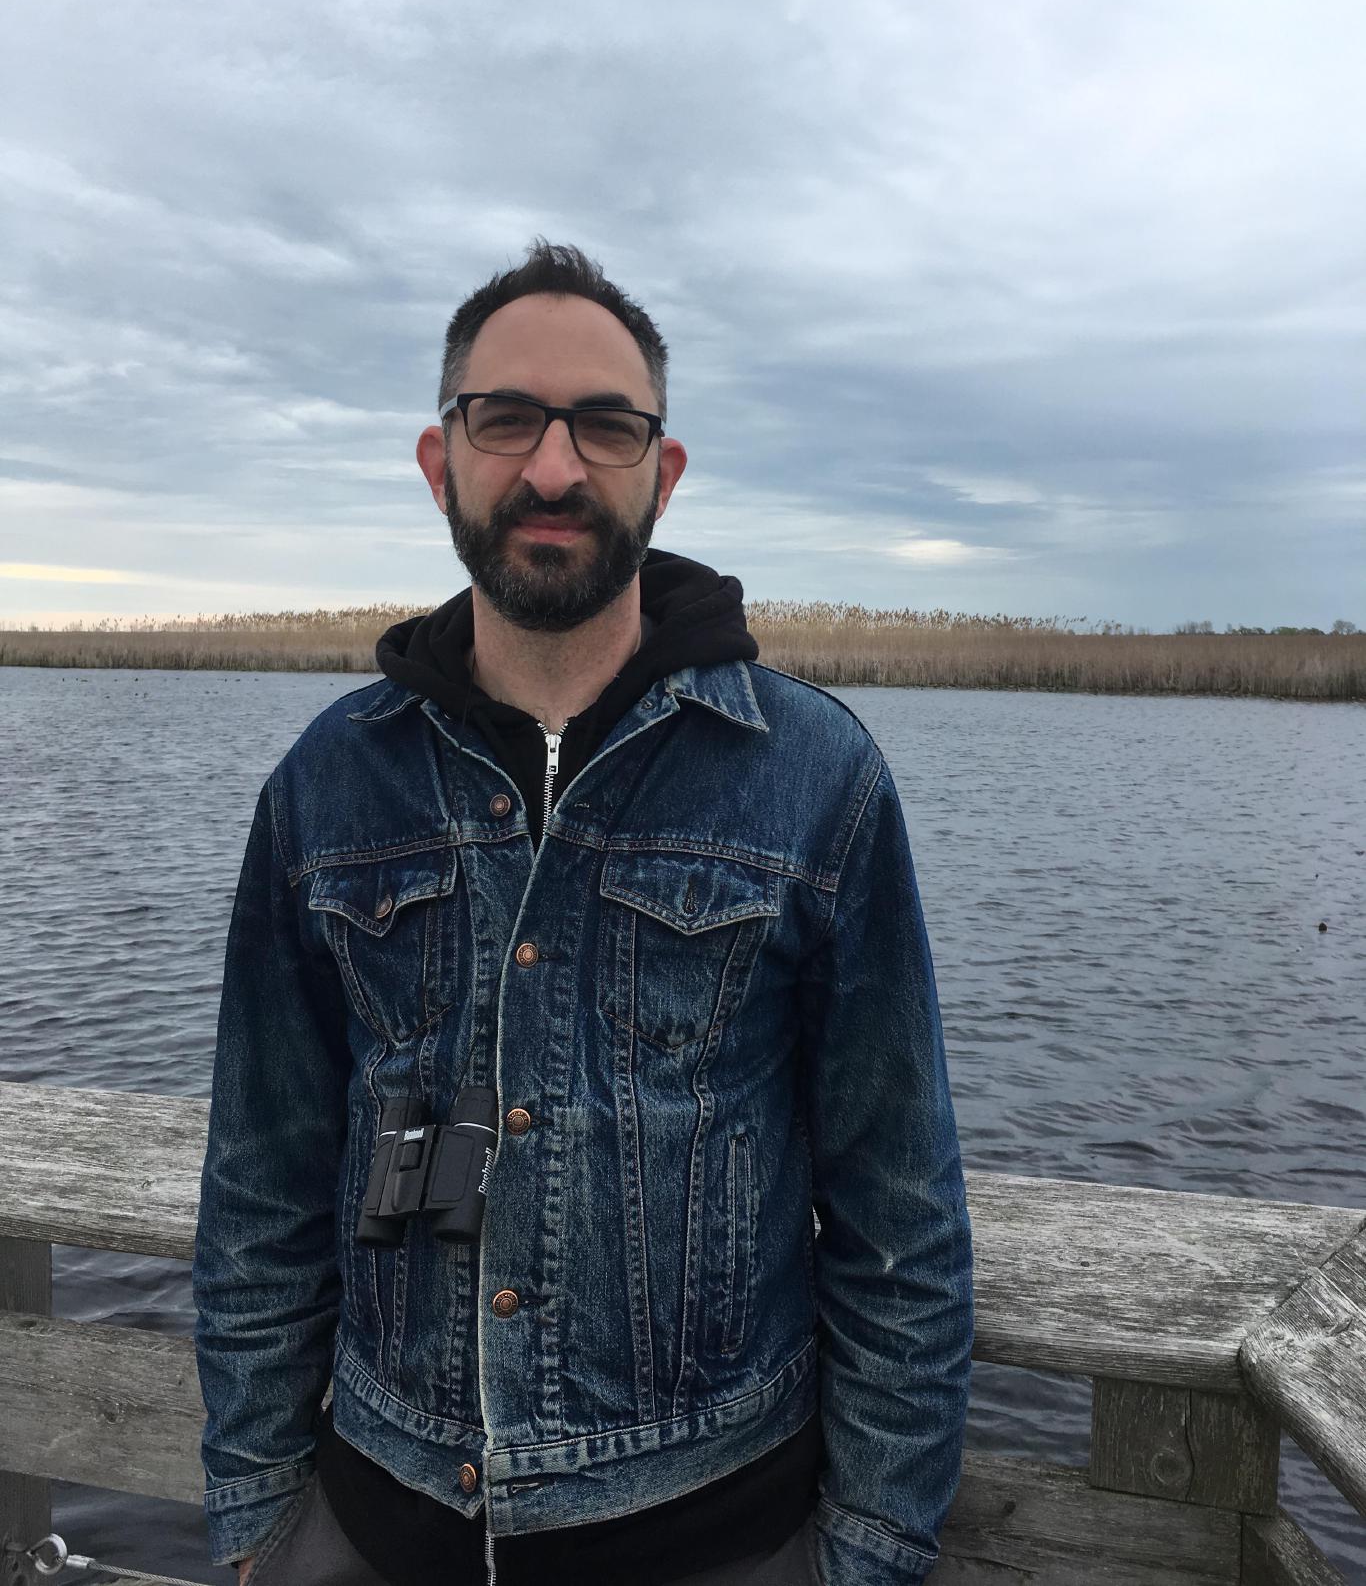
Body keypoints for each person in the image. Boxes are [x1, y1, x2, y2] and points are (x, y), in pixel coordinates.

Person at [192, 239, 974, 1586]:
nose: (552, 468)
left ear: (658, 474)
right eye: (506, 418)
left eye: (602, 426)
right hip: (379, 1522)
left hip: (721, 1529)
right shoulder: (332, 782)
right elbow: (265, 1173)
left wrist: (870, 1549)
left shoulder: (810, 777)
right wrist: (262, 1513)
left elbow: (896, 1212)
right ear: (441, 459)